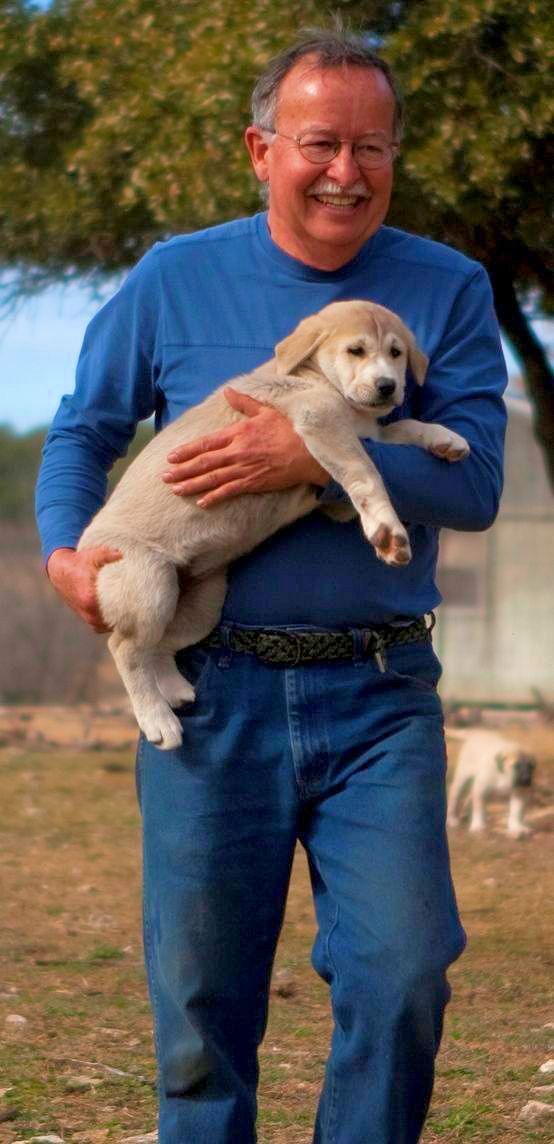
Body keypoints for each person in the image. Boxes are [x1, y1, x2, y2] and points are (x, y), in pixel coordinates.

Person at [36, 28, 507, 1144]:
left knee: (399, 980)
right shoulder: (174, 277)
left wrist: (318, 462)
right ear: (260, 150)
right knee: (199, 1015)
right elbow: (83, 431)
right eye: (318, 143)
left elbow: (478, 480)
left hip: (377, 690)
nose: (345, 169)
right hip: (212, 687)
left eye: (372, 147)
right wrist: (67, 551)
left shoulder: (450, 288)